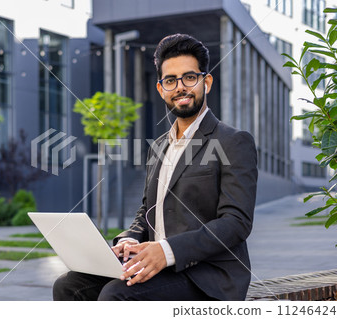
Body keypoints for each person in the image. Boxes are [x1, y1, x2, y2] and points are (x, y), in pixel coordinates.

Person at [53, 33, 258, 301]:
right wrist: (130, 240)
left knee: (116, 296)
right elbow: (147, 210)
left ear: (206, 81)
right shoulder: (159, 146)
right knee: (68, 286)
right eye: (171, 81)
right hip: (156, 266)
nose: (180, 87)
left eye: (190, 77)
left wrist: (167, 251)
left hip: (207, 276)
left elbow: (236, 223)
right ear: (161, 89)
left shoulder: (233, 141)